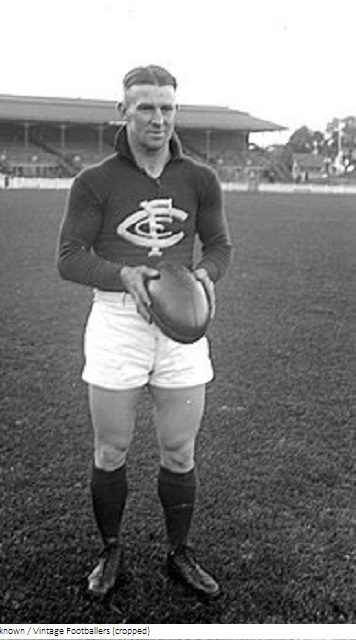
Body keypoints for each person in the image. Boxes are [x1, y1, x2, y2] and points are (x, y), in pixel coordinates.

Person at [57, 65, 233, 600]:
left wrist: (207, 275)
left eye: (167, 108)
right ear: (124, 112)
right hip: (118, 320)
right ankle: (111, 549)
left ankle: (179, 552)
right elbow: (69, 257)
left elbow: (219, 246)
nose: (158, 119)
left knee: (179, 450)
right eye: (146, 108)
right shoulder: (94, 181)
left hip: (182, 321)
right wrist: (123, 275)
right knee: (111, 449)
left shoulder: (200, 179)